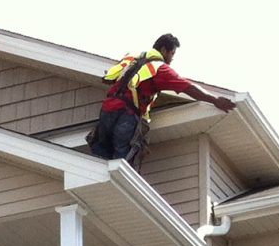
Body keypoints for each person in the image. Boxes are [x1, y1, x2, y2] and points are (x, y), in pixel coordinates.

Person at [88, 34, 234, 170]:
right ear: (164, 50)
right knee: (122, 161)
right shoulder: (159, 68)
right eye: (172, 54)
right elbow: (187, 87)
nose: (172, 59)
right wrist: (215, 100)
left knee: (100, 155)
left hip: (107, 110)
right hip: (127, 114)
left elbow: (108, 78)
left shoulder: (131, 59)